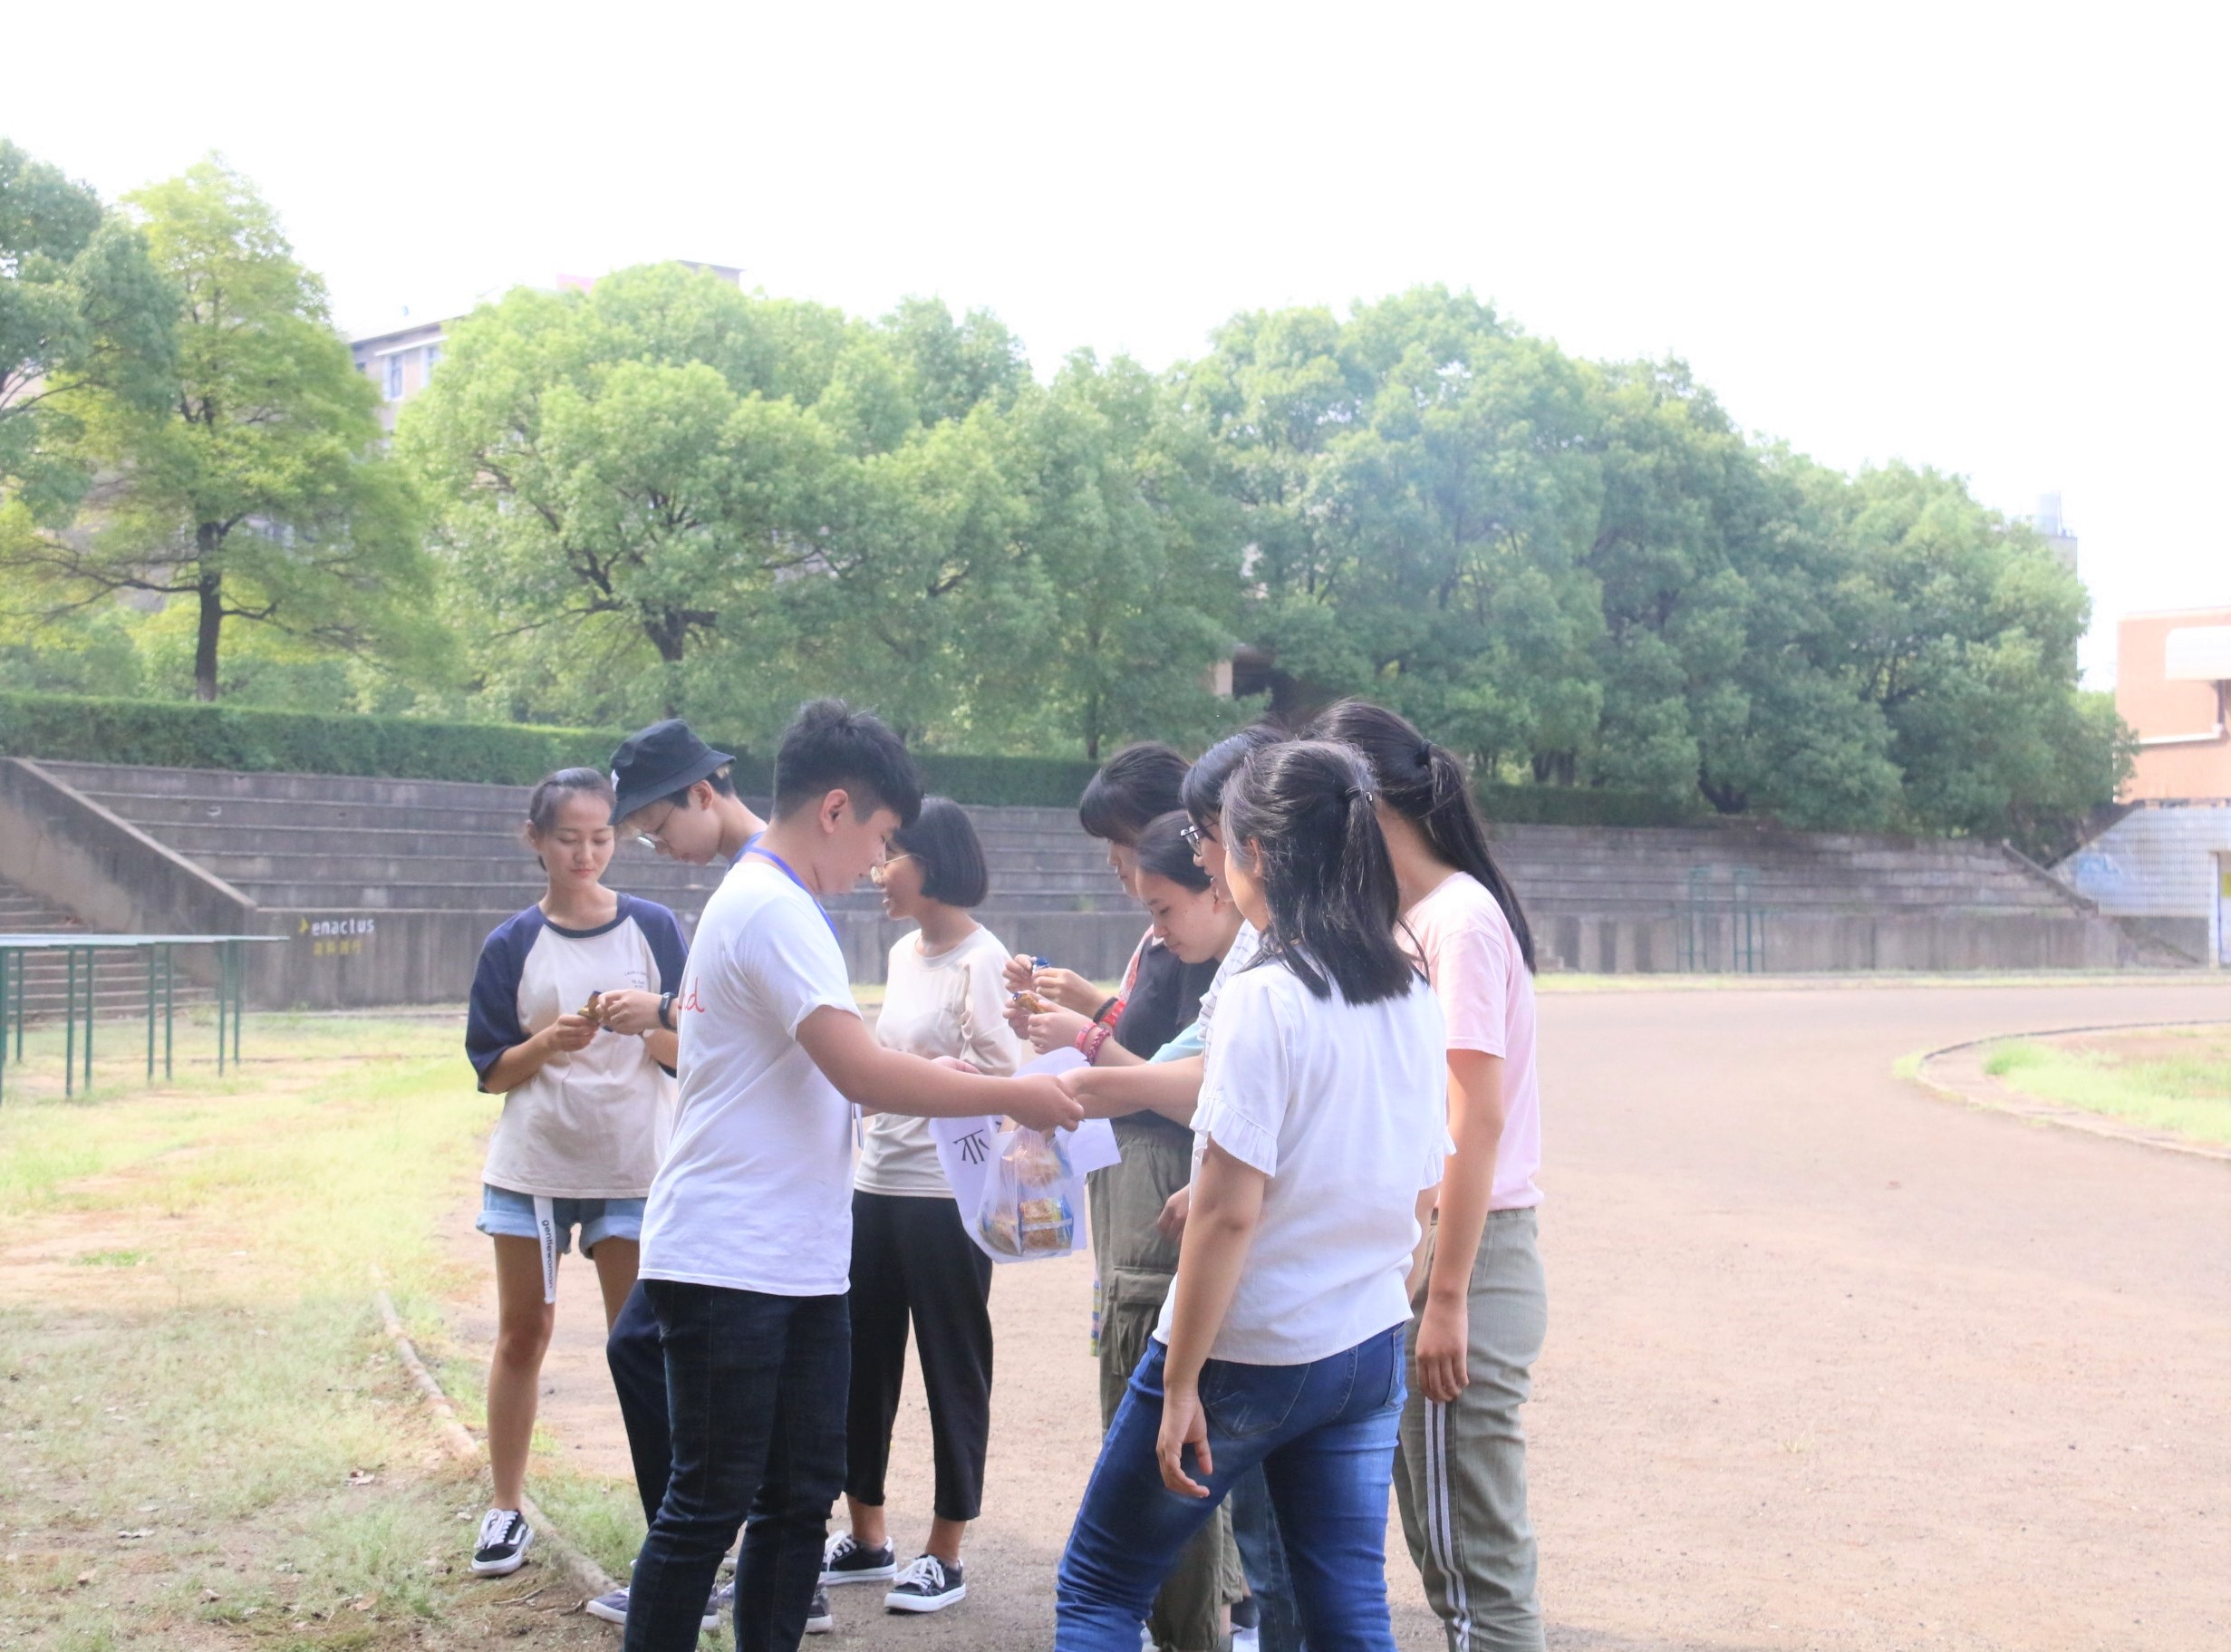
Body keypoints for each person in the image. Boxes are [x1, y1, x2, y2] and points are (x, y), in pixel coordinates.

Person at [621, 700, 1080, 1652]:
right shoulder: (770, 906)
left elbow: (837, 1070)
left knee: (796, 1498)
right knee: (709, 1503)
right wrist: (1012, 1094)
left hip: (795, 1258)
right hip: (731, 1257)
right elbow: (862, 1073)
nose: (877, 862)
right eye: (878, 836)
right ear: (835, 807)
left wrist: (945, 1077)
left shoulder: (778, 906)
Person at [1052, 739, 1447, 1652]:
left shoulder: (1265, 994)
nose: (1210, 858)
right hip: (1363, 1342)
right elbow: (1425, 1182)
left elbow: (1228, 1210)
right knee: (1347, 1610)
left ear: (1257, 852)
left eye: (1218, 840)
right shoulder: (1410, 986)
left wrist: (1180, 1378)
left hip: (1251, 1344)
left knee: (1099, 1587)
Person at [1310, 700, 1546, 1652]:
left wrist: (1444, 1294)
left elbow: (1473, 1116)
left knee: (1470, 1570)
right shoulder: (1412, 919)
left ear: (1366, 806)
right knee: (1447, 1552)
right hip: (1437, 1253)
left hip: (1466, 1257)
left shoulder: (1458, 920)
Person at [462, 768, 688, 1580]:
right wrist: (549, 1042)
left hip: (633, 1164)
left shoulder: (654, 928)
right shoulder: (512, 942)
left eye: (601, 837)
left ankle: (669, 1525)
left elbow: (693, 1050)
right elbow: (492, 1069)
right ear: (536, 839)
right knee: (524, 1333)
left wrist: (646, 1022)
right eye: (569, 838)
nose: (587, 853)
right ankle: (505, 1506)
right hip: (533, 1165)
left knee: (641, 1347)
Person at [587, 720, 768, 1629]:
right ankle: (707, 1560)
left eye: (658, 827)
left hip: (741, 1190)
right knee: (643, 1350)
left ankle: (706, 1562)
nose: (660, 848)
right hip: (714, 1177)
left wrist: (658, 1009)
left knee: (714, 1388)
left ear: (703, 791)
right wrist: (660, 1012)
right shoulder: (743, 884)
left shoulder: (762, 888)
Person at [820, 797, 1020, 1617]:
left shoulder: (985, 960)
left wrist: (929, 1082)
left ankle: (946, 1548)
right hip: (877, 1181)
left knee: (950, 1363)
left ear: (930, 864)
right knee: (862, 1360)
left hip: (947, 1196)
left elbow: (1004, 1085)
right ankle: (867, 1534)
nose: (878, 871)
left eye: (890, 856)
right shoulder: (904, 951)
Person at [1006, 743, 1216, 1068]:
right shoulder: (1164, 936)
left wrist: (1092, 1014)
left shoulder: (1200, 946)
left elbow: (1173, 1080)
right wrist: (1054, 1015)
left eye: (1119, 839)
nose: (1111, 859)